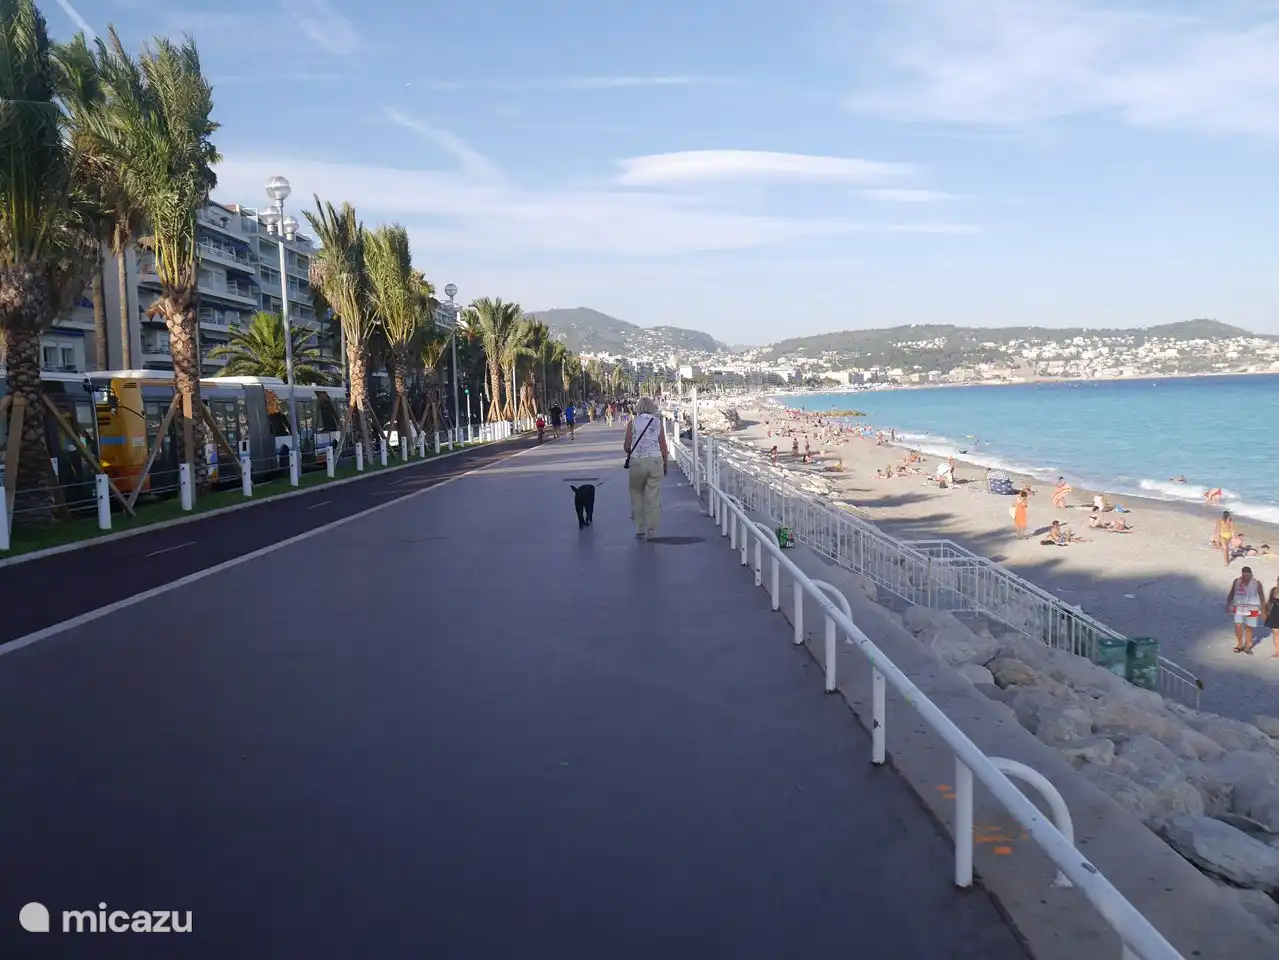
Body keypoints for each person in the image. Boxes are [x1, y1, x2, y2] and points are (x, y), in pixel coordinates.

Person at [625, 397, 669, 540]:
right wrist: (665, 463)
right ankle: (651, 529)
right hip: (655, 462)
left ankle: (640, 528)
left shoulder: (632, 423)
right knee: (653, 495)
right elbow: (663, 446)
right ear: (652, 407)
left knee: (637, 493)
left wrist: (632, 452)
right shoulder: (657, 422)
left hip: (637, 462)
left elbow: (626, 446)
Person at [1225, 566, 1268, 654]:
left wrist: (1263, 611)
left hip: (1252, 607)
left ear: (1251, 574)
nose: (1246, 578)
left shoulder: (1257, 583)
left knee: (1249, 627)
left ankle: (1247, 645)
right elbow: (1232, 592)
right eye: (1244, 575)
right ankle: (1240, 644)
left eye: (1247, 575)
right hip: (1239, 606)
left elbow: (1262, 597)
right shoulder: (1237, 581)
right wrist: (1228, 604)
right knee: (1238, 626)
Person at [1267, 577, 1279, 658]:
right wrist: (1267, 611)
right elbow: (1269, 602)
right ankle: (1278, 651)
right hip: (1275, 613)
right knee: (1276, 632)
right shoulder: (1273, 590)